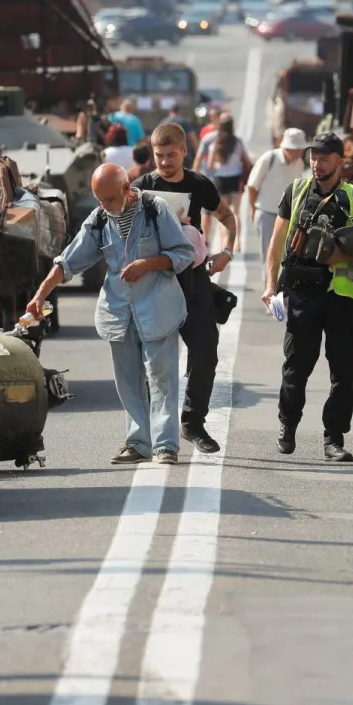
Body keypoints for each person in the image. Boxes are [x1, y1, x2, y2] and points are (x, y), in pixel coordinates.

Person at [28, 164, 195, 465]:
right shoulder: (99, 219)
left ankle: (166, 445)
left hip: (158, 309)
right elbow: (68, 262)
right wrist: (40, 294)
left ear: (126, 189)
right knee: (128, 380)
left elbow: (184, 253)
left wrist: (148, 264)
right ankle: (138, 443)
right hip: (119, 313)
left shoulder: (156, 211)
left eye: (108, 198)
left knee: (161, 378)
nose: (103, 205)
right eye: (98, 199)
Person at [261, 132, 353, 462]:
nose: (317, 164)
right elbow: (277, 242)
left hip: (341, 298)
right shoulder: (297, 191)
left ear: (340, 161)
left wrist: (343, 253)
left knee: (342, 371)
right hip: (302, 294)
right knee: (296, 367)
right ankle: (287, 426)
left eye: (325, 158)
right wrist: (270, 285)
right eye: (313, 157)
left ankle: (334, 439)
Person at [133, 122, 239, 455]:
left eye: (171, 155)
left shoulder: (199, 185)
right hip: (154, 280)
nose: (164, 162)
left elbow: (228, 217)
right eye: (159, 156)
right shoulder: (140, 187)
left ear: (184, 152)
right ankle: (152, 430)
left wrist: (226, 253)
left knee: (206, 350)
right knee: (152, 359)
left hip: (192, 279)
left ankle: (193, 423)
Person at [247, 127, 308, 266]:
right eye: (296, 149)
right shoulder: (269, 158)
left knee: (287, 256)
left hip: (288, 216)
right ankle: (269, 287)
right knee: (269, 256)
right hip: (266, 213)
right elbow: (252, 186)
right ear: (287, 148)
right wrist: (252, 209)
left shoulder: (298, 163)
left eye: (300, 149)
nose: (299, 152)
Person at [195, 116, 253, 252]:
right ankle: (238, 242)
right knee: (236, 213)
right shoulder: (238, 142)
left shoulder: (216, 143)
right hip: (235, 179)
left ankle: (225, 245)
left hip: (220, 180)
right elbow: (247, 161)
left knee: (223, 216)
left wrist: (218, 165)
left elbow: (209, 165)